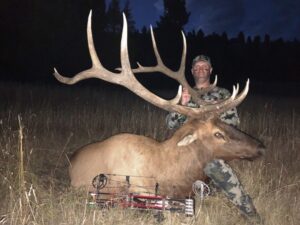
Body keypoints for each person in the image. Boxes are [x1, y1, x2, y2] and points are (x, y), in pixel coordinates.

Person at [166, 55, 261, 222]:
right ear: (192, 71)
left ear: (210, 70)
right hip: (186, 148)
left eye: (204, 67)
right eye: (197, 67)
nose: (201, 70)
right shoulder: (186, 93)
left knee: (215, 166)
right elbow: (171, 125)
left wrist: (212, 120)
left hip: (210, 149)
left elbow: (232, 124)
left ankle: (250, 213)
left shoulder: (222, 94)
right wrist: (182, 103)